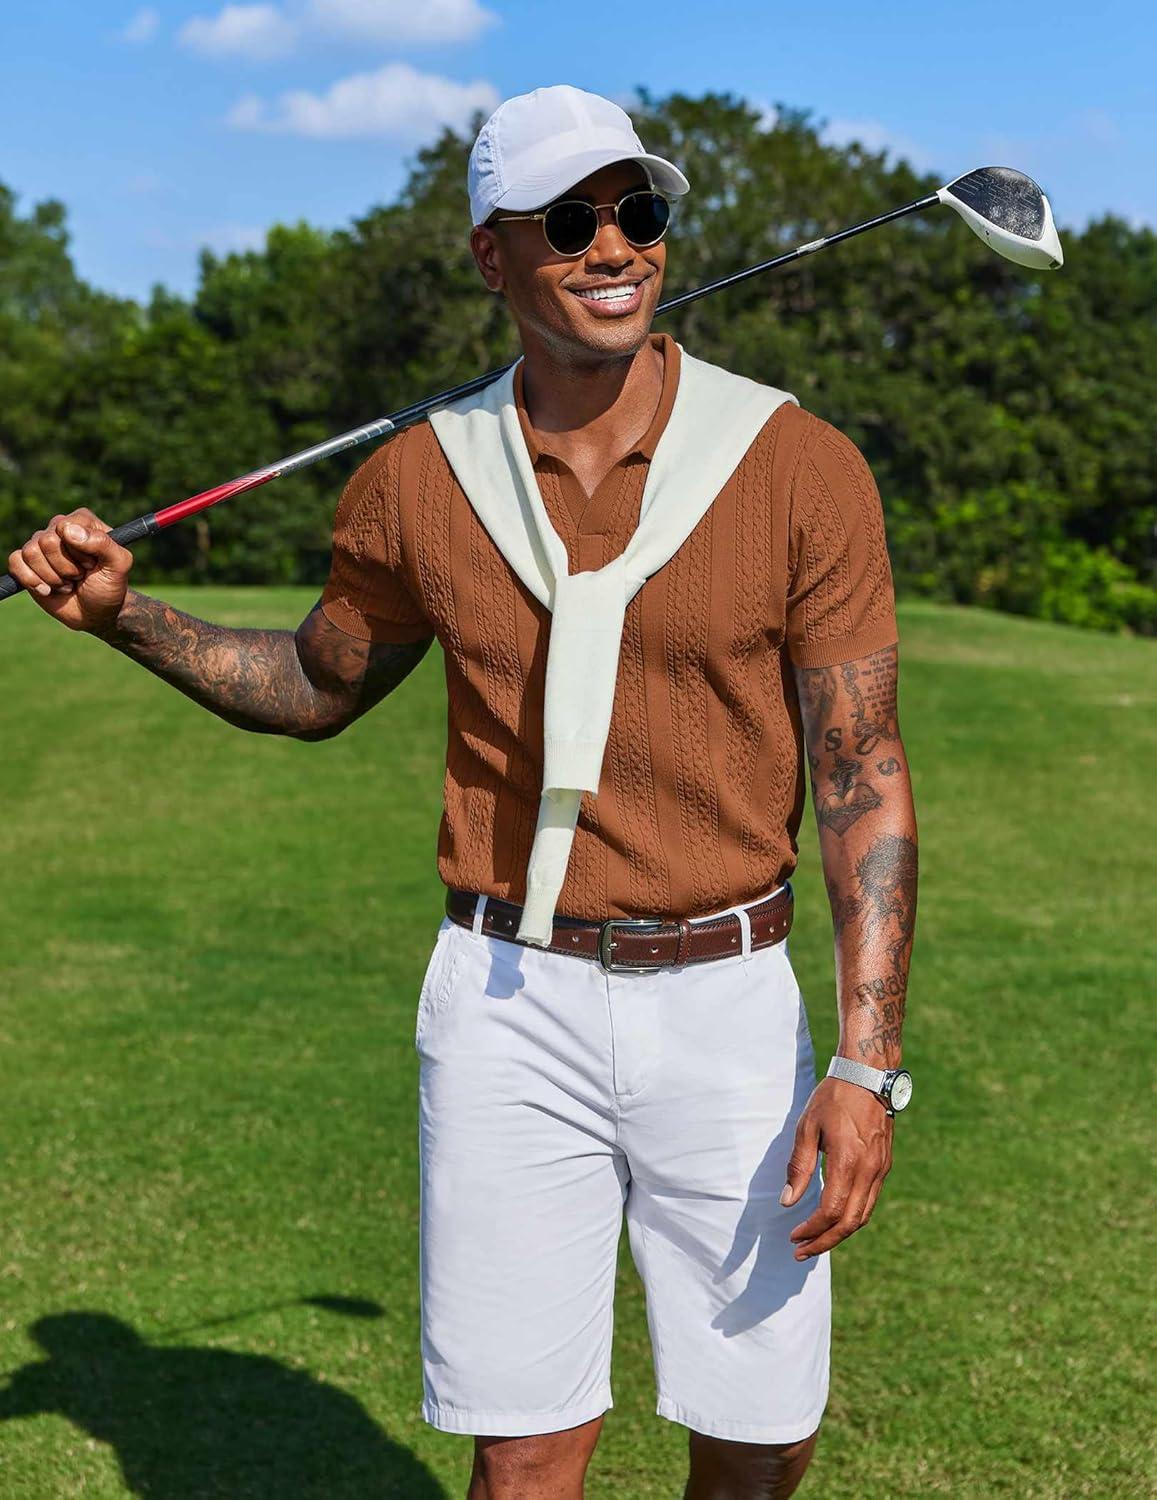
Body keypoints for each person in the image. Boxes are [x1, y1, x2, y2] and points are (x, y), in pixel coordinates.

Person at [7, 84, 918, 1500]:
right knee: (525, 1444)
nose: (613, 246)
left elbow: (863, 776)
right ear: (492, 254)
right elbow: (314, 683)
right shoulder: (416, 481)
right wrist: (130, 618)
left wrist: (864, 1064)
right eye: (569, 219)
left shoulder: (799, 464)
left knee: (759, 1430)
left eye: (638, 211)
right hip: (507, 1003)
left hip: (730, 1001)